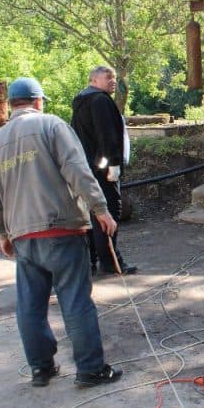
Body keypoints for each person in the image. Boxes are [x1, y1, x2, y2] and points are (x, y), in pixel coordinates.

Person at [0, 77, 123, 389]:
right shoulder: (52, 126)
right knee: (75, 301)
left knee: (30, 306)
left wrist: (2, 235)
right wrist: (100, 209)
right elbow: (77, 170)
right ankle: (90, 369)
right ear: (38, 101)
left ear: (12, 104)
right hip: (61, 229)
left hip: (22, 237)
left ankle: (41, 369)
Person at [71, 66, 137, 275]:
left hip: (86, 167)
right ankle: (111, 262)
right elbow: (106, 135)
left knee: (91, 215)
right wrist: (114, 164)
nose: (113, 81)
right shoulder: (100, 100)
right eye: (108, 77)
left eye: (114, 77)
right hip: (102, 169)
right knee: (108, 213)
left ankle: (90, 260)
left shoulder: (81, 101)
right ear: (94, 79)